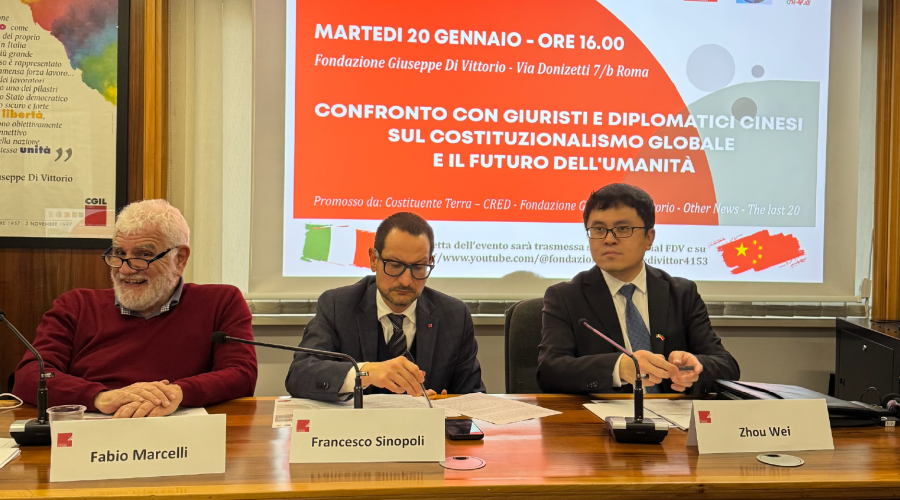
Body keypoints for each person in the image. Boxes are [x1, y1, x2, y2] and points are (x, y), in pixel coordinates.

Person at [13, 200, 258, 417]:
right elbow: (30, 376)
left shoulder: (221, 302)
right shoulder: (75, 305)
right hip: (95, 429)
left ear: (179, 259)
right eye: (119, 253)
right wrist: (101, 397)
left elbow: (241, 374)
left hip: (181, 431)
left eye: (144, 254)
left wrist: (176, 393)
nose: (125, 269)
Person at [538, 184, 739, 394]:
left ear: (649, 238)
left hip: (672, 411)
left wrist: (695, 367)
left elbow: (727, 366)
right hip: (604, 412)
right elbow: (549, 371)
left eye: (622, 229)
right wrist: (617, 367)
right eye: (598, 230)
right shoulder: (566, 297)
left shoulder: (681, 294)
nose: (609, 239)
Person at [286, 212, 485, 401]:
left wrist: (446, 405)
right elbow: (300, 375)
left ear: (430, 262)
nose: (406, 281)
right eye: (395, 265)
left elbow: (473, 396)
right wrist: (365, 372)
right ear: (374, 260)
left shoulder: (454, 316)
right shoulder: (338, 305)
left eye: (418, 267)